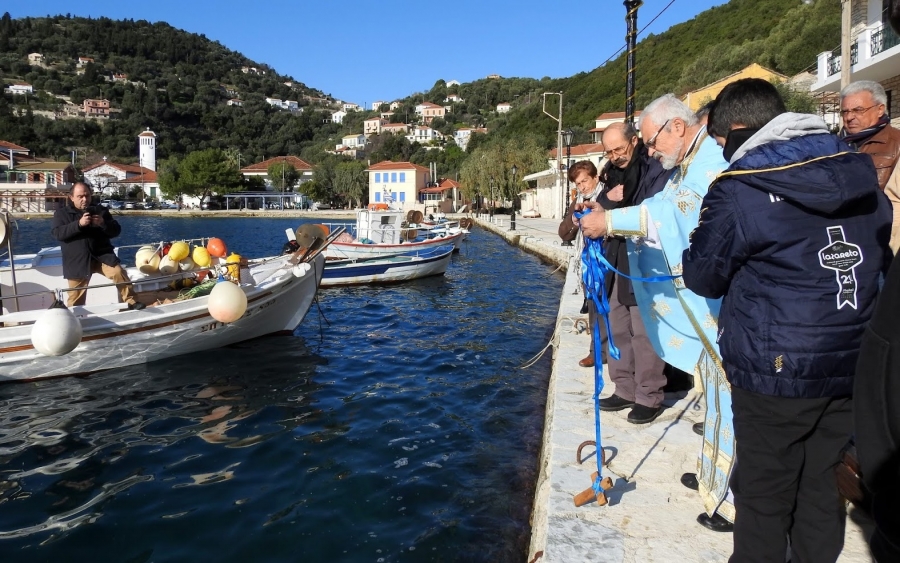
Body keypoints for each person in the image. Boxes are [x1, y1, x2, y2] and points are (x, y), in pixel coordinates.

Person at [683, 78, 892, 562]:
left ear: (736, 130)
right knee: (822, 487)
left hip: (775, 368)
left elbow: (703, 275)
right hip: (848, 361)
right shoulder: (860, 173)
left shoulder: (740, 189)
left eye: (718, 143)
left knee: (762, 495)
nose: (721, 155)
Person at [574, 93, 733, 531]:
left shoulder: (708, 166)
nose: (650, 149)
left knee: (731, 396)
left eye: (650, 140)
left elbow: (673, 213)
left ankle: (732, 495)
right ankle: (712, 475)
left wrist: (611, 221)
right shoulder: (688, 162)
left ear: (675, 127)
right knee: (718, 393)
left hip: (723, 306)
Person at [596, 122, 671, 424]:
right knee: (616, 325)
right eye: (609, 151)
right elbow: (604, 203)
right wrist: (605, 202)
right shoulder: (611, 173)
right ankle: (623, 388)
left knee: (643, 331)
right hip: (616, 258)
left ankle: (649, 395)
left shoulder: (654, 168)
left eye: (618, 149)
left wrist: (610, 209)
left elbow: (653, 211)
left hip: (643, 260)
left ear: (634, 141)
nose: (614, 156)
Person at [51, 182, 145, 310]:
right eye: (80, 196)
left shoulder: (101, 210)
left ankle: (132, 302)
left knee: (118, 272)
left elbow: (116, 231)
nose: (85, 199)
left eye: (87, 196)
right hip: (77, 260)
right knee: (76, 296)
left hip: (102, 256)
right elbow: (58, 234)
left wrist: (103, 223)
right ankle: (75, 316)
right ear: (71, 197)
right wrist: (79, 224)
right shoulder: (62, 214)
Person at [558, 160, 608, 367]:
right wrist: (575, 219)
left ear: (596, 177)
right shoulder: (578, 201)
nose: (582, 187)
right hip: (587, 263)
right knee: (594, 307)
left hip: (608, 259)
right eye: (578, 184)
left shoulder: (607, 196)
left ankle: (614, 352)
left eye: (585, 181)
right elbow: (563, 233)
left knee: (613, 308)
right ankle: (596, 352)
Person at [840, 80, 900, 190]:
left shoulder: (897, 143)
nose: (849, 118)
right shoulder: (833, 144)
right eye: (845, 112)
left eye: (858, 110)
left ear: (880, 110)